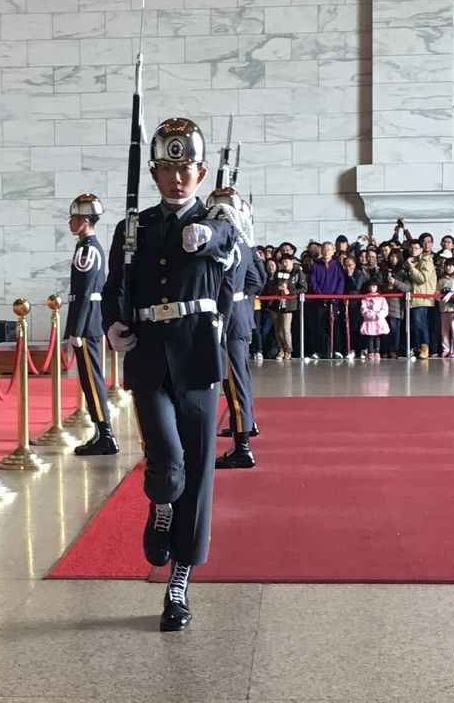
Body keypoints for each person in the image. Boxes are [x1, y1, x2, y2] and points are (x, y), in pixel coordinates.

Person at [102, 117, 237, 633]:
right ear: (155, 173)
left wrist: (210, 232)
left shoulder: (217, 221)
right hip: (148, 354)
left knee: (198, 474)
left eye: (187, 169)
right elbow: (116, 285)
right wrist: (113, 323)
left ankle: (179, 582)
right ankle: (160, 502)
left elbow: (230, 242)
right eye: (167, 169)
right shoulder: (132, 228)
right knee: (169, 461)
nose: (177, 179)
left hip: (198, 356)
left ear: (201, 172)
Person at [206, 188, 263, 469]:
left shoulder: (226, 245)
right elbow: (256, 278)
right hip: (239, 317)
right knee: (239, 379)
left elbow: (223, 289)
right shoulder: (241, 244)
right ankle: (245, 431)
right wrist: (243, 303)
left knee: (235, 383)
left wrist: (221, 320)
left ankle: (243, 448)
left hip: (228, 323)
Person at [64, 194, 118, 456]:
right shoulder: (88, 247)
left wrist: (76, 330)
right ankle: (102, 432)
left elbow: (85, 294)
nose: (70, 223)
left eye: (74, 218)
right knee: (89, 379)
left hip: (86, 325)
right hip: (89, 323)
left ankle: (105, 435)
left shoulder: (87, 249)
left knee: (92, 379)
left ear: (85, 220)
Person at [307, 240, 344, 358]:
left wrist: (336, 297)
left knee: (335, 326)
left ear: (333, 251)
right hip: (319, 301)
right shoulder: (315, 265)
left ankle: (336, 350)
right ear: (321, 251)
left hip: (334, 301)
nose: (326, 251)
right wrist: (321, 296)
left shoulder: (337, 266)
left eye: (329, 249)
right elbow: (313, 283)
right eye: (324, 249)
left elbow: (341, 282)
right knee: (319, 327)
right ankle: (320, 351)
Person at [268, 253, 307, 361]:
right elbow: (272, 287)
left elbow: (303, 288)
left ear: (292, 262)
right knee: (277, 330)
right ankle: (281, 349)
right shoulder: (279, 273)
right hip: (276, 304)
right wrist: (278, 288)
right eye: (282, 262)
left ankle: (289, 350)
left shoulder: (298, 273)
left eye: (287, 261)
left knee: (285, 329)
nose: (284, 264)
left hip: (289, 304)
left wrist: (290, 291)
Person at [405, 239, 436, 359]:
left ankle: (425, 347)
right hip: (412, 298)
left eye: (416, 248)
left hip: (422, 297)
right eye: (411, 248)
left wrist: (411, 267)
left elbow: (422, 278)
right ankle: (417, 347)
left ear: (422, 249)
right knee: (414, 325)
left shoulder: (426, 261)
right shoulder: (412, 261)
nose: (413, 250)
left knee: (421, 324)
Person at [360, 281, 389, 361]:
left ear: (377, 287)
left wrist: (378, 315)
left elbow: (385, 309)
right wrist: (371, 315)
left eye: (374, 286)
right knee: (370, 337)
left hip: (378, 320)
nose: (372, 288)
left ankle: (377, 351)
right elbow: (363, 310)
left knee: (377, 337)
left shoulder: (382, 298)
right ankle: (371, 351)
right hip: (369, 321)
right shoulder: (365, 298)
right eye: (371, 286)